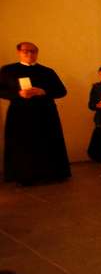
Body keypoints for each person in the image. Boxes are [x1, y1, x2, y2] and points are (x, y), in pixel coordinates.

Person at [0, 42, 70, 185]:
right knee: (22, 144)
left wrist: (43, 91)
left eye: (33, 51)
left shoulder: (47, 71)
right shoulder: (8, 70)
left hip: (45, 113)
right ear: (19, 52)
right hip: (20, 114)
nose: (30, 54)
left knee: (48, 142)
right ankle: (23, 176)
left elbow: (62, 91)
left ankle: (51, 174)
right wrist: (18, 93)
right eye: (26, 51)